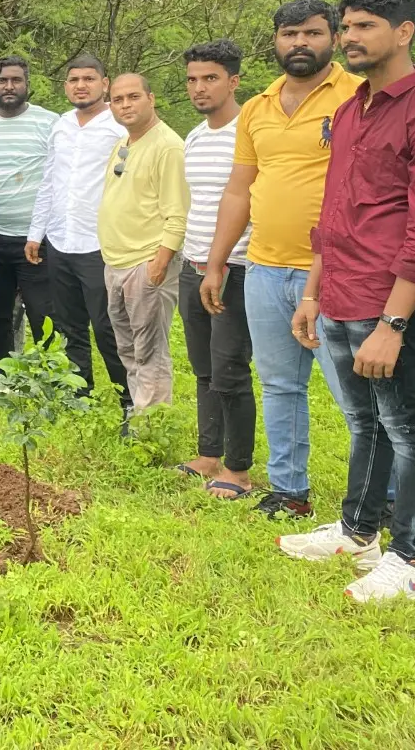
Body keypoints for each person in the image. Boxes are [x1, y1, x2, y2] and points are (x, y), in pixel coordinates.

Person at [282, 0, 415, 602]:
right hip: (341, 291)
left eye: (364, 26)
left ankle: (412, 557)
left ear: (403, 32)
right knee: (363, 423)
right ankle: (358, 531)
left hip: (392, 301)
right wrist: (314, 293)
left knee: (407, 426)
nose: (349, 37)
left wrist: (394, 324)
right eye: (346, 26)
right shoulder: (351, 109)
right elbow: (335, 208)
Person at [202, 0, 364, 519]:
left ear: (334, 37)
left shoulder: (359, 95)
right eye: (290, 34)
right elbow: (239, 190)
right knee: (279, 384)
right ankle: (289, 491)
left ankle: (377, 502)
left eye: (313, 33)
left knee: (354, 395)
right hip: (264, 268)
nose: (300, 43)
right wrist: (216, 261)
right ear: (275, 41)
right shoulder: (258, 106)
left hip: (339, 270)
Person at [175, 41, 256, 498]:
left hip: (237, 268)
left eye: (210, 78)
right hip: (194, 263)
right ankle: (209, 453)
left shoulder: (250, 130)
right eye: (192, 79)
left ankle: (238, 470)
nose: (199, 88)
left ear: (233, 81)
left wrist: (222, 262)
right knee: (203, 365)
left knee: (230, 369)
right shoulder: (195, 136)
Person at [25, 53, 129, 405]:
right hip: (60, 240)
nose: (80, 85)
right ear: (65, 86)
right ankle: (78, 394)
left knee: (108, 327)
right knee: (69, 325)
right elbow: (49, 181)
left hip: (100, 244)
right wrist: (36, 233)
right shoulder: (62, 125)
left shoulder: (120, 127)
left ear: (105, 83)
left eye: (88, 79)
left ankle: (128, 399)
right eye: (73, 79)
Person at [98, 74, 189, 414]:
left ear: (151, 99)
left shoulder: (167, 147)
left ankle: (152, 428)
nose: (125, 105)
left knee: (150, 350)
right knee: (129, 348)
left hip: (147, 262)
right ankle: (141, 414)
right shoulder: (126, 143)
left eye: (133, 97)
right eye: (118, 99)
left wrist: (160, 263)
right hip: (117, 262)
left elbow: (177, 213)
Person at [0, 56, 57, 364]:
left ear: (27, 85)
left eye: (16, 80)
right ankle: (6, 377)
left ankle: (51, 377)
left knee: (43, 313)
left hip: (35, 240)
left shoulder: (49, 122)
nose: (9, 86)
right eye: (3, 81)